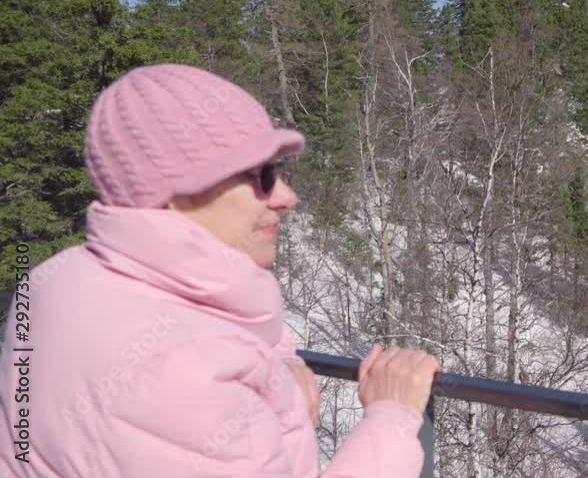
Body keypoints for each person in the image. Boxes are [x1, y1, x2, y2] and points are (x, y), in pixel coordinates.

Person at [0, 63, 440, 477]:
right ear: (174, 189)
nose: (287, 196)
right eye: (262, 175)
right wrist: (393, 418)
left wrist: (273, 372)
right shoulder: (184, 373)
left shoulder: (51, 281)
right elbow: (187, 367)